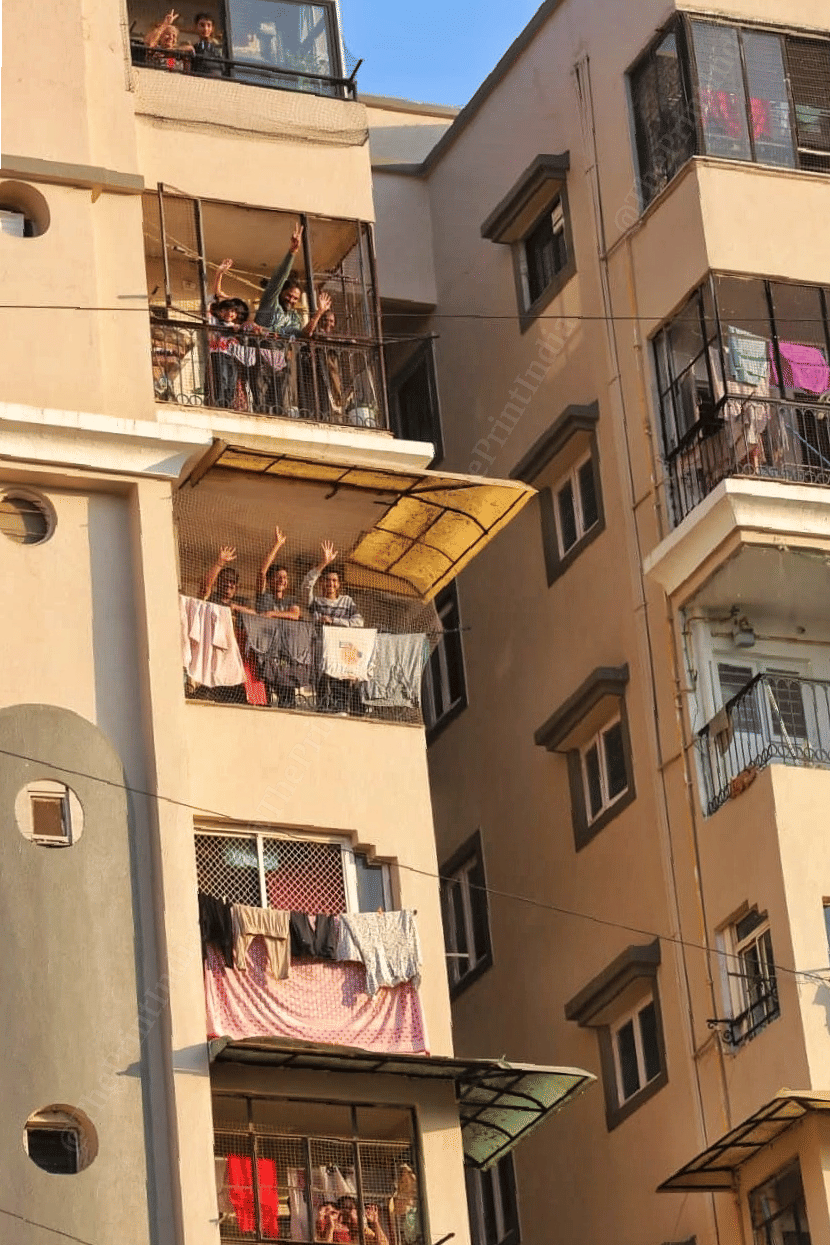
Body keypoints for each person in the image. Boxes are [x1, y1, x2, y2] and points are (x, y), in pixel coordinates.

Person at [253, 223, 330, 415]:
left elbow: (305, 334)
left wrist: (319, 313)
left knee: (283, 403)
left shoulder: (294, 317)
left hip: (283, 359)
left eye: (296, 298)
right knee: (263, 403)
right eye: (289, 295)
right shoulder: (270, 303)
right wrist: (292, 252)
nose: (292, 300)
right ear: (282, 292)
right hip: (264, 353)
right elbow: (278, 279)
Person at [303, 541, 366, 715]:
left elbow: (359, 621)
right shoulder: (315, 602)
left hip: (342, 649)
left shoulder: (347, 601)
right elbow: (306, 586)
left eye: (334, 581)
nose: (330, 583)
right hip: (322, 648)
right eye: (327, 580)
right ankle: (323, 708)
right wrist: (323, 563)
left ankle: (341, 708)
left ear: (338, 584)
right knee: (324, 679)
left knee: (342, 678)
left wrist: (333, 620)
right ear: (322, 583)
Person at [191, 12, 224, 77]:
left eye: (209, 25)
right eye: (202, 25)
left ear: (212, 28)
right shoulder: (193, 48)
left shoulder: (219, 47)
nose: (206, 29)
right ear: (195, 27)